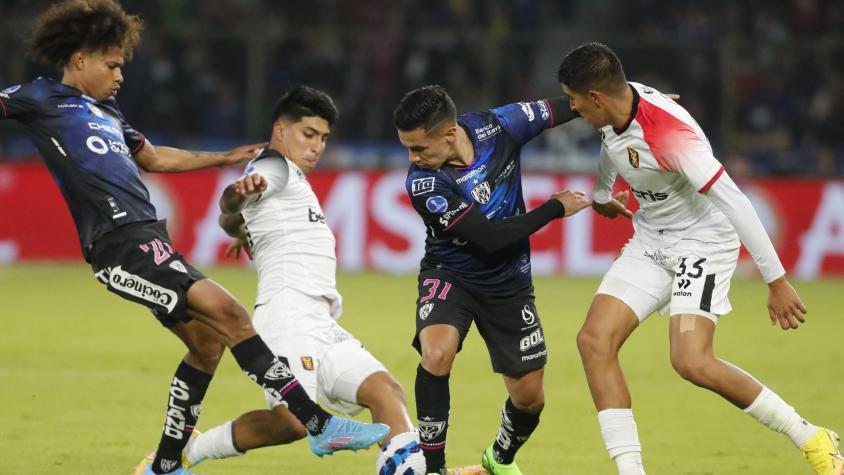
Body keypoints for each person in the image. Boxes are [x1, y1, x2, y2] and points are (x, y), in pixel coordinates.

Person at [0, 2, 388, 475]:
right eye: (113, 64)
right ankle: (318, 424)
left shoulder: (108, 111)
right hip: (116, 245)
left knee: (207, 345)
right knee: (230, 313)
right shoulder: (39, 98)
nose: (121, 74)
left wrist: (224, 156)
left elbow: (157, 159)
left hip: (148, 237)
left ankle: (165, 465)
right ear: (80, 60)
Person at [556, 42, 843, 475]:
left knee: (691, 360)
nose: (573, 109)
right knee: (594, 342)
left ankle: (812, 437)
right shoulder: (615, 103)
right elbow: (610, 144)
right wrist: (601, 195)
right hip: (651, 238)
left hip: (702, 243)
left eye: (574, 101)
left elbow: (736, 203)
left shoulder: (671, 136)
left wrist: (776, 280)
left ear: (595, 96)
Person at [183, 85, 426, 475]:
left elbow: (229, 215)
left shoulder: (293, 180)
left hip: (321, 321)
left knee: (386, 391)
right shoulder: (273, 166)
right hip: (286, 315)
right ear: (281, 130)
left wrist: (239, 230)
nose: (317, 147)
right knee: (292, 423)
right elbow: (233, 197)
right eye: (308, 134)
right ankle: (188, 453)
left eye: (323, 138)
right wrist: (238, 195)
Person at [393, 85, 592, 475]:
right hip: (451, 274)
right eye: (407, 149)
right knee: (436, 353)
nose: (412, 159)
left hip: (508, 284)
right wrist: (554, 207)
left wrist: (636, 101)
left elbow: (571, 104)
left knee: (530, 399)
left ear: (450, 134)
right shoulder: (424, 184)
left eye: (419, 148)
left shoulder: (497, 126)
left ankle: (498, 460)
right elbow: (490, 237)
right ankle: (433, 469)